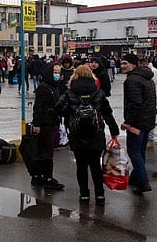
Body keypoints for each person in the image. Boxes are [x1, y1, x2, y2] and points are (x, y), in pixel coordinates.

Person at [56, 65, 119, 205]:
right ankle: (100, 195)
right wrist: (114, 132)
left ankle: (84, 195)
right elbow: (108, 113)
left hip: (77, 135)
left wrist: (70, 114)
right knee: (96, 165)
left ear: (75, 76)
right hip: (96, 134)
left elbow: (59, 109)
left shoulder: (69, 93)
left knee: (81, 166)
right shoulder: (98, 92)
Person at [120, 53, 156, 195]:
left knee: (134, 151)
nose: (122, 66)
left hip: (137, 123)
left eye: (125, 63)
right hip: (148, 120)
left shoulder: (133, 80)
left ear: (133, 64)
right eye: (121, 63)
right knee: (140, 151)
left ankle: (143, 181)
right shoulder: (147, 78)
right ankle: (136, 177)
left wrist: (128, 122)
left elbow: (135, 103)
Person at [31, 62, 65, 190]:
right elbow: (38, 107)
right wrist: (37, 124)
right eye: (55, 72)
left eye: (58, 72)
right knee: (47, 151)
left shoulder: (54, 86)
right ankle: (48, 178)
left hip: (52, 122)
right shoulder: (44, 87)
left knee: (45, 151)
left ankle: (40, 176)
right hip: (45, 124)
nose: (57, 75)